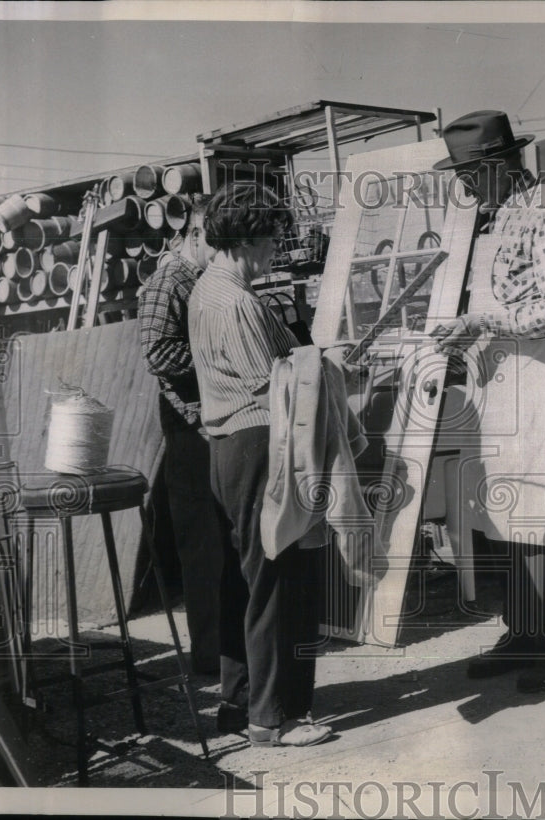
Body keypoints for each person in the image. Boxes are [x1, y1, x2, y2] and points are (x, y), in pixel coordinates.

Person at [431, 110, 545, 694]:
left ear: (499, 165)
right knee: (503, 502)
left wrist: (481, 321)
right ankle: (526, 631)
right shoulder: (491, 217)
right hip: (502, 373)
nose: (464, 186)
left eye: (469, 173)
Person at [188, 180, 332, 748]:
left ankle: (242, 702)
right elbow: (270, 384)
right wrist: (326, 369)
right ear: (247, 238)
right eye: (272, 238)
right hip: (257, 443)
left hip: (230, 447)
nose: (277, 249)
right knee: (279, 580)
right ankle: (274, 719)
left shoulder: (207, 290)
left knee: (249, 581)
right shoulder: (237, 300)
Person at [138, 194, 224, 675]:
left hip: (210, 415)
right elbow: (156, 353)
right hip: (187, 423)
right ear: (194, 235)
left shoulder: (202, 276)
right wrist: (217, 359)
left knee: (221, 538)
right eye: (216, 241)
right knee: (202, 543)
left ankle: (226, 646)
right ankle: (210, 656)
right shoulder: (171, 278)